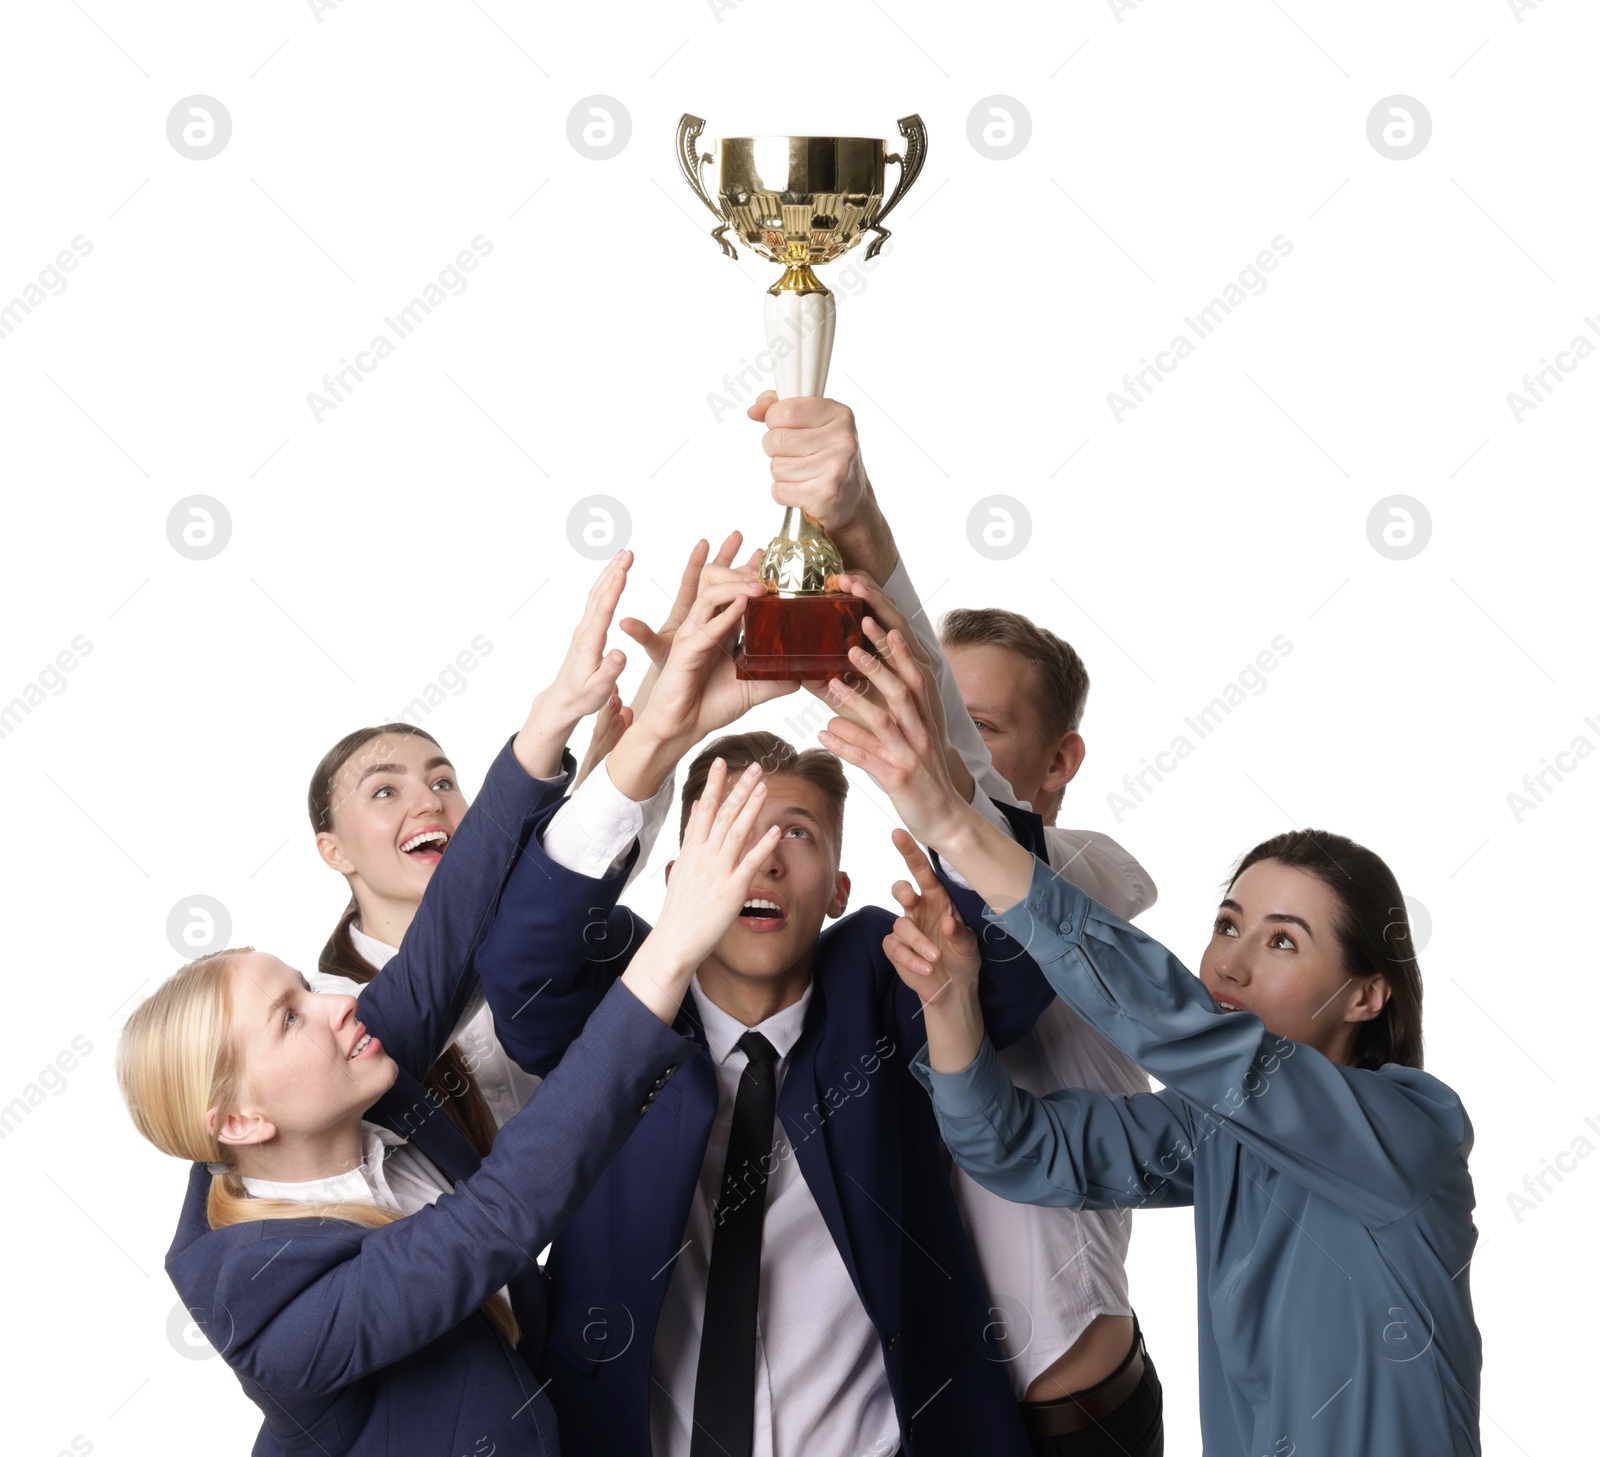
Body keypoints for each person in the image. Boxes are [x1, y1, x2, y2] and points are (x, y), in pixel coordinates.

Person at [121, 560, 790, 1456]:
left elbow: (446, 939)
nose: (332, 1005)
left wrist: (560, 714)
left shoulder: (339, 1099)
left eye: (304, 989)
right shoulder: (271, 1306)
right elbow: (502, 1213)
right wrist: (670, 947)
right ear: (237, 1117)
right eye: (289, 1016)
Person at [819, 617, 1483, 1457]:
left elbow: (1190, 1031)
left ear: (1366, 995)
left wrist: (957, 828)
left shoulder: (1409, 1131)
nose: (1230, 963)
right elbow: (1019, 1150)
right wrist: (950, 1004)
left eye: (1283, 939)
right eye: (1228, 924)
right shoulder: (1218, 1136)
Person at [470, 568, 1058, 1457]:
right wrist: (657, 740)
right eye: (736, 832)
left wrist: (931, 751)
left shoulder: (879, 979)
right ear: (680, 878)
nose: (765, 861)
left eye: (798, 835)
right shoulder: (623, 1000)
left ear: (838, 889)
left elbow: (1017, 958)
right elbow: (521, 966)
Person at [750, 388, 1163, 1451]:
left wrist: (865, 531)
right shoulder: (852, 921)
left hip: (1072, 1415)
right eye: (923, 714)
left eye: (971, 727)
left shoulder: (1083, 883)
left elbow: (985, 836)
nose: (925, 743)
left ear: (1060, 760)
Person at [299, 535, 740, 1150]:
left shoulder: (534, 927)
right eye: (383, 792)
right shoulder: (334, 1013)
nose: (427, 801)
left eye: (443, 780)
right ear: (333, 850)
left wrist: (668, 681)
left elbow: (573, 862)